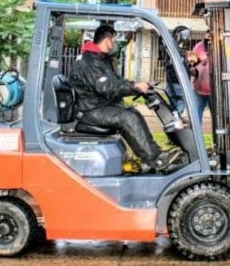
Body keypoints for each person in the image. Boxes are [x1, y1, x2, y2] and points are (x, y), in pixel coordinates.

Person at [70, 24, 184, 173]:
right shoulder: (91, 61)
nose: (114, 43)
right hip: (90, 110)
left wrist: (135, 85)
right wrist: (134, 86)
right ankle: (155, 159)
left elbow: (116, 81)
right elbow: (107, 87)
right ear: (107, 40)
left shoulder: (98, 58)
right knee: (128, 118)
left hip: (95, 105)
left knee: (134, 113)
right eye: (113, 39)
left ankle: (153, 154)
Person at [163, 26, 191, 116]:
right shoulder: (174, 48)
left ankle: (174, 120)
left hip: (174, 83)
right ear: (178, 35)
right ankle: (176, 120)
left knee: (174, 107)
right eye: (185, 35)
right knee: (182, 103)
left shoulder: (175, 48)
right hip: (176, 83)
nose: (186, 38)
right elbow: (173, 65)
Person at [189, 30, 213, 122]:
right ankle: (196, 134)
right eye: (207, 34)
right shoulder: (198, 46)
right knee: (196, 114)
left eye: (210, 35)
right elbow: (191, 64)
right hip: (199, 88)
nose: (208, 37)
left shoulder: (219, 47)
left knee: (217, 118)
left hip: (215, 90)